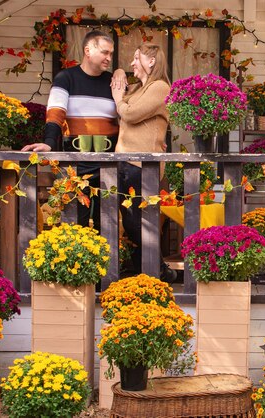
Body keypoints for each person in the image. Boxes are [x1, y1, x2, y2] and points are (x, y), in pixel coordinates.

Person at [22, 30, 119, 232]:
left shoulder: (113, 82)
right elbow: (56, 113)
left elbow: (128, 113)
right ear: (88, 50)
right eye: (105, 52)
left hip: (108, 164)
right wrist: (49, 141)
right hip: (73, 164)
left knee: (107, 225)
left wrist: (119, 73)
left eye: (111, 54)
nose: (109, 58)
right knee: (74, 223)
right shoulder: (66, 77)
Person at [110, 43, 172, 279]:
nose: (132, 63)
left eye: (137, 58)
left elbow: (130, 113)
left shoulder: (160, 87)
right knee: (130, 220)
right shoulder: (137, 89)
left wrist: (118, 100)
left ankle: (159, 269)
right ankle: (146, 269)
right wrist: (117, 72)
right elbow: (125, 98)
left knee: (139, 221)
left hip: (143, 165)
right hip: (125, 161)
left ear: (152, 61)